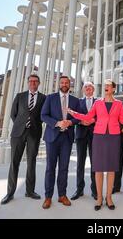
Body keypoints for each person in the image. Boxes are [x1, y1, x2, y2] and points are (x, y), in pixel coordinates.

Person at [68, 80, 123, 211]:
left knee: (111, 168)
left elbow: (122, 120)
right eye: (105, 85)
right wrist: (72, 113)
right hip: (99, 136)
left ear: (114, 89)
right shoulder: (98, 103)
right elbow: (88, 116)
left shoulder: (119, 104)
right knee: (98, 168)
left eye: (108, 85)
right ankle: (99, 198)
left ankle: (109, 197)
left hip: (114, 137)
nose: (106, 87)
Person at [1, 75, 46, 205]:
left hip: (34, 133)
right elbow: (13, 114)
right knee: (14, 162)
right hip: (18, 133)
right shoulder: (20, 96)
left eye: (35, 81)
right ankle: (10, 193)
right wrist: (20, 124)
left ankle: (30, 191)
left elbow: (43, 115)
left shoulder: (43, 98)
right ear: (27, 83)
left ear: (39, 83)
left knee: (31, 162)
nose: (33, 83)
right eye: (30, 81)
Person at [41, 76, 80, 210]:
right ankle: (48, 197)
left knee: (64, 168)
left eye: (66, 83)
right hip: (52, 137)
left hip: (67, 138)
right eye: (62, 82)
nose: (64, 84)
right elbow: (43, 115)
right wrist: (57, 123)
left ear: (70, 84)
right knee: (50, 168)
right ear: (59, 84)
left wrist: (70, 122)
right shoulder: (50, 98)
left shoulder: (75, 100)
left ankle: (62, 195)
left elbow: (78, 117)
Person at [71, 82, 97, 201]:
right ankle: (79, 189)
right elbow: (74, 116)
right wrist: (81, 121)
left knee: (94, 163)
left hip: (94, 134)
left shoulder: (98, 102)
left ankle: (94, 190)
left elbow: (102, 115)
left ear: (93, 90)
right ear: (83, 90)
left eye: (90, 87)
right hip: (81, 134)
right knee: (80, 163)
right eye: (86, 87)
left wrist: (92, 120)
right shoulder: (78, 102)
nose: (88, 89)